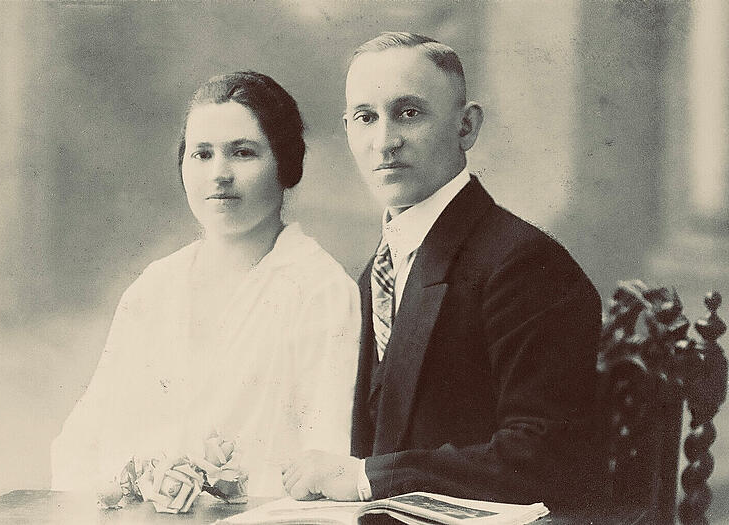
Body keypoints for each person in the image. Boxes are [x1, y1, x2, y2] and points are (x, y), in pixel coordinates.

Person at [282, 32, 604, 508]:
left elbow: (543, 458)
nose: (384, 142)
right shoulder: (382, 264)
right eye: (366, 118)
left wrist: (371, 477)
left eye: (409, 113)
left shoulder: (524, 264)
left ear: (466, 126)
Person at [51, 72, 360, 497]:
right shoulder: (154, 288)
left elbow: (324, 454)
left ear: (286, 165)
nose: (219, 174)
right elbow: (84, 441)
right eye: (201, 154)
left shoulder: (321, 290)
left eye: (243, 152)